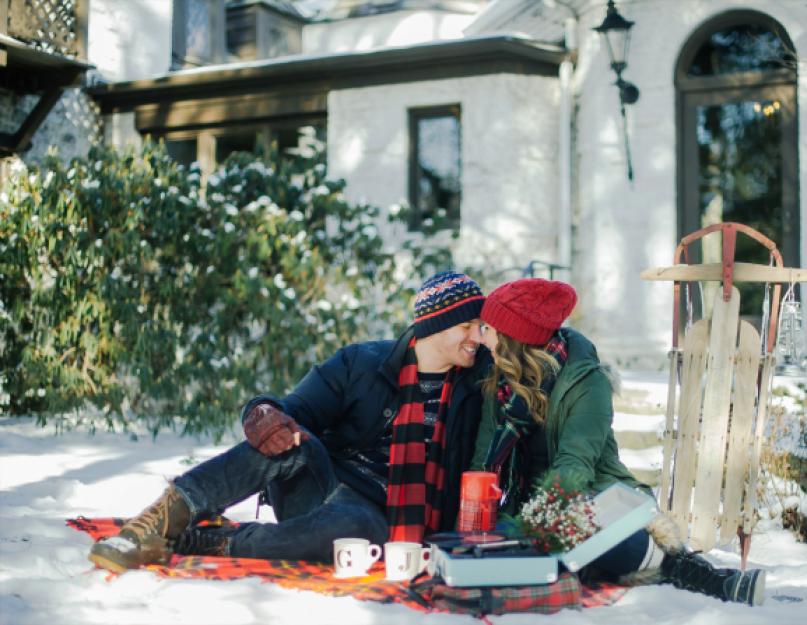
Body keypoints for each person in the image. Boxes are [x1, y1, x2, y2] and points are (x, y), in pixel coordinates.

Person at [89, 271, 490, 572]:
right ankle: (151, 526)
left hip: (379, 517)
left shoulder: (478, 384)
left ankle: (209, 542)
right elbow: (287, 408)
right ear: (434, 324)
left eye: (480, 326)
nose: (478, 336)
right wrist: (262, 415)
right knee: (287, 438)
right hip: (324, 484)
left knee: (352, 529)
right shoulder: (363, 363)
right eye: (467, 326)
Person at [471, 278, 766, 606]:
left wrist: (538, 528)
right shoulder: (499, 382)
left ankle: (693, 573)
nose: (480, 337)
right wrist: (473, 519)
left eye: (486, 328)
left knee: (597, 538)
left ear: (513, 337)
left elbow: (574, 466)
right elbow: (482, 460)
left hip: (589, 499)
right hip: (524, 502)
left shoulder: (586, 382)